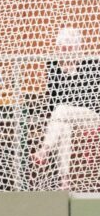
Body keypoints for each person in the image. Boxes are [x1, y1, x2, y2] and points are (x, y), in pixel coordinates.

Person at [31, 27, 100, 190]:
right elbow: (53, 100)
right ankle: (65, 180)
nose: (64, 51)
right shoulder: (54, 67)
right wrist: (64, 70)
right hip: (65, 117)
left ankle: (44, 150)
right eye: (61, 48)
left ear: (76, 48)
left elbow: (91, 100)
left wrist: (72, 71)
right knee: (64, 127)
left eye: (68, 48)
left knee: (61, 110)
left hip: (91, 116)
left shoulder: (91, 64)